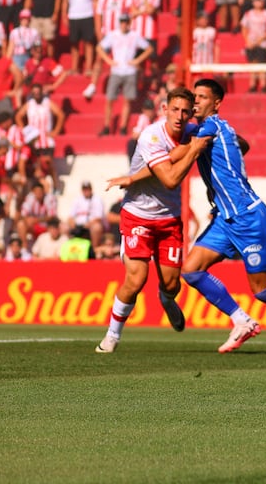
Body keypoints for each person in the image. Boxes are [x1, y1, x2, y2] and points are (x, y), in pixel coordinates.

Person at [177, 78, 266, 355]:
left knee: (262, 290)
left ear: (216, 103)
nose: (196, 102)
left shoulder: (210, 126)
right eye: (193, 97)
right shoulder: (222, 128)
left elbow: (187, 149)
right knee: (191, 270)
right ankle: (241, 320)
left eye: (202, 97)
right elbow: (242, 144)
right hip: (225, 218)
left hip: (248, 217)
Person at [98, 87, 209, 352]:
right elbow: (170, 179)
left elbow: (228, 140)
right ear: (164, 110)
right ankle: (112, 336)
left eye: (185, 111)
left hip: (168, 220)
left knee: (171, 284)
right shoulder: (151, 136)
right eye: (175, 110)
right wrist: (193, 151)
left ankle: (166, 299)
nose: (180, 116)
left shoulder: (194, 133)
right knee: (136, 279)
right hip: (138, 214)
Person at [97, 13, 152, 136]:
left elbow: (149, 49)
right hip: (116, 71)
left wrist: (137, 61)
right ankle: (107, 126)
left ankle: (122, 127)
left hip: (129, 71)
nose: (124, 24)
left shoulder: (134, 36)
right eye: (122, 21)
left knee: (127, 101)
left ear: (129, 23)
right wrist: (108, 60)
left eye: (126, 22)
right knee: (110, 99)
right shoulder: (113, 35)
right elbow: (99, 48)